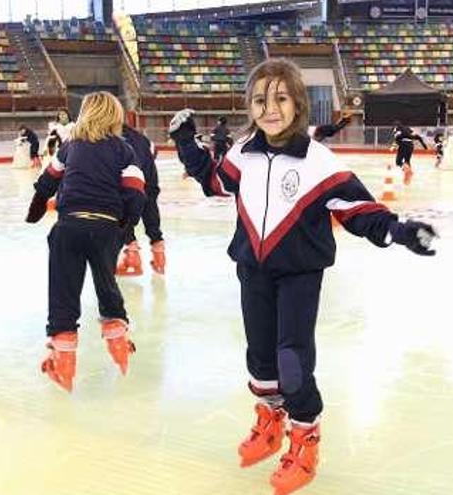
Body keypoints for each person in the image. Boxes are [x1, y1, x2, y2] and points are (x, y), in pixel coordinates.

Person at [168, 59, 438, 495]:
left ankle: (306, 437)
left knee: (292, 360)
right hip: (252, 270)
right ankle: (270, 422)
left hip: (298, 274)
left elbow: (358, 211)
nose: (269, 108)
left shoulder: (318, 161)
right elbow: (217, 182)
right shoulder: (243, 151)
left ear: (298, 103)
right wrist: (186, 144)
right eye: (260, 100)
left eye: (280, 98)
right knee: (260, 357)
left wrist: (399, 231)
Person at [25, 92, 146, 392]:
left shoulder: (70, 147)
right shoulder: (124, 150)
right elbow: (136, 192)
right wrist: (124, 224)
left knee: (63, 290)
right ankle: (117, 338)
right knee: (107, 284)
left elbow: (47, 180)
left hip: (69, 226)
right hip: (105, 229)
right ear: (115, 117)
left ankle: (63, 361)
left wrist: (37, 206)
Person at [116, 124, 166, 276]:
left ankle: (132, 255)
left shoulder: (109, 139)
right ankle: (159, 253)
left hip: (128, 178)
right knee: (149, 202)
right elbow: (153, 152)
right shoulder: (141, 138)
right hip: (148, 174)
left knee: (119, 203)